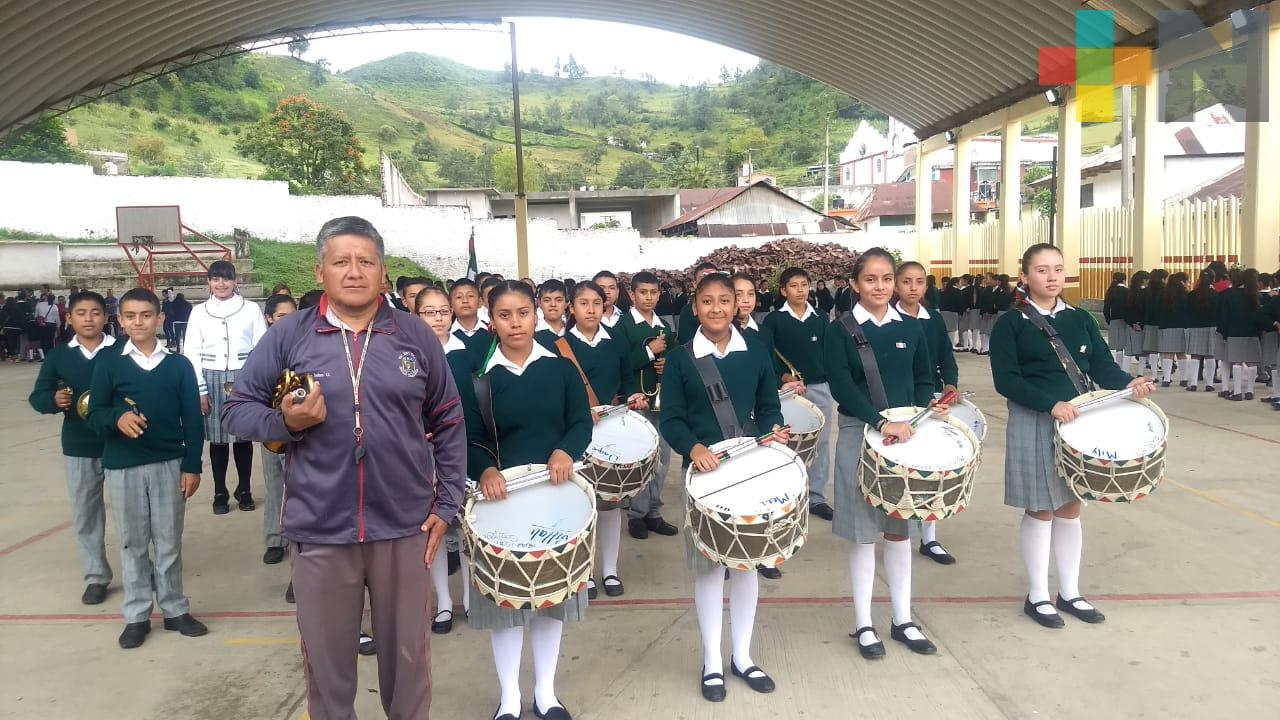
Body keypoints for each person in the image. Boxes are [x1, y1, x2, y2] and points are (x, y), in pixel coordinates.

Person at [223, 216, 467, 719]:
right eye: (341, 262)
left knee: (408, 666)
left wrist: (447, 504)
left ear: (382, 272)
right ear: (320, 272)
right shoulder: (290, 335)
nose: (354, 272)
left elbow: (448, 419)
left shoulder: (414, 336)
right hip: (320, 527)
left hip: (404, 526)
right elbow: (235, 408)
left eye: (366, 261)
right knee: (328, 672)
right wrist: (284, 422)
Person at [989, 243, 1154, 630]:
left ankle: (1070, 591)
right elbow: (1006, 380)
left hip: (1079, 420)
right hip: (1035, 419)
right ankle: (1037, 595)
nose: (1052, 277)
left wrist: (1131, 383)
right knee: (1041, 508)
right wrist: (1050, 404)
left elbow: (1101, 365)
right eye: (1042, 270)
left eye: (1058, 270)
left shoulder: (1079, 319)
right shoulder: (1010, 323)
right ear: (1025, 275)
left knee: (1070, 507)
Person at [658, 272, 790, 702]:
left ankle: (743, 656)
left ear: (738, 306)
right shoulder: (681, 359)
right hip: (704, 475)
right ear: (694, 307)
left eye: (725, 301)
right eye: (707, 301)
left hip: (749, 469)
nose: (717, 309)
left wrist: (774, 430)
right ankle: (712, 660)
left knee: (747, 565)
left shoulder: (754, 351)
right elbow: (672, 418)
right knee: (710, 566)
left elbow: (769, 405)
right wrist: (693, 446)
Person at [468, 280, 592, 720]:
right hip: (500, 504)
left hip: (555, 498)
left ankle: (545, 693)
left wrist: (565, 450)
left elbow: (580, 423)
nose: (515, 322)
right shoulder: (480, 379)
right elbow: (470, 438)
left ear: (536, 315)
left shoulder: (559, 368)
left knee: (549, 600)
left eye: (523, 313)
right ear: (492, 319)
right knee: (505, 605)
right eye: (505, 315)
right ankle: (508, 699)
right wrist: (483, 470)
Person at [825, 248, 943, 660]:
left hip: (904, 436)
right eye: (871, 279)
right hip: (861, 434)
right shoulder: (840, 331)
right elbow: (843, 388)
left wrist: (926, 409)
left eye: (887, 278)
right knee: (862, 535)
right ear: (855, 285)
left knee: (899, 533)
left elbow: (923, 377)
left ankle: (902, 618)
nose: (881, 286)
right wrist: (879, 421)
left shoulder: (912, 329)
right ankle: (864, 623)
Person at [86, 287, 207, 648]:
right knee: (133, 542)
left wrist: (192, 465)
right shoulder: (109, 363)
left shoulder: (179, 365)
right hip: (124, 466)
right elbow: (93, 413)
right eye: (131, 316)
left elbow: (193, 419)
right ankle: (137, 614)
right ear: (120, 321)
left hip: (170, 464)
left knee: (169, 541)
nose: (139, 322)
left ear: (160, 319)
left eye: (146, 315)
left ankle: (174, 609)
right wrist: (117, 417)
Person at [552, 281, 646, 598]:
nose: (591, 309)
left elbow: (628, 380)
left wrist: (633, 395)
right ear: (571, 308)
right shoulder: (559, 345)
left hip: (612, 430)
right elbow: (555, 395)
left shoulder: (616, 341)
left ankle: (610, 571)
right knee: (582, 503)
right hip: (575, 435)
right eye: (583, 303)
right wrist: (579, 411)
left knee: (610, 502)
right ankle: (586, 572)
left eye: (596, 303)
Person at [28, 290, 120, 605]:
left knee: (132, 513)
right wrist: (53, 401)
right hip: (79, 446)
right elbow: (37, 396)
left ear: (106, 317)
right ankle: (96, 576)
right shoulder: (58, 357)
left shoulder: (121, 350)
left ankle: (142, 567)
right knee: (86, 514)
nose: (89, 319)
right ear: (69, 317)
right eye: (81, 313)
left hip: (122, 444)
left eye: (95, 313)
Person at [413, 286, 486, 634]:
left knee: (467, 526)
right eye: (430, 312)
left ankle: (472, 598)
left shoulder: (466, 354)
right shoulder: (408, 356)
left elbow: (478, 405)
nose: (439, 318)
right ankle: (443, 603)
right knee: (435, 528)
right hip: (421, 454)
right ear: (416, 316)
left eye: (443, 311)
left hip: (464, 449)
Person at [182, 260, 269, 515]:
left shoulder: (251, 309)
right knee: (218, 441)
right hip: (210, 377)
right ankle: (220, 491)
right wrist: (200, 390)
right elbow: (192, 352)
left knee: (242, 438)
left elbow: (261, 348)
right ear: (208, 282)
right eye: (215, 279)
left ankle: (244, 489)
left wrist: (256, 384)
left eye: (226, 278)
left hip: (243, 377)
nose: (221, 284)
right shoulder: (198, 312)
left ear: (235, 281)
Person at [894, 261, 959, 565]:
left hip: (931, 400)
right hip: (898, 403)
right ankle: (898, 532)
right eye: (907, 281)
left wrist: (950, 383)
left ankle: (929, 538)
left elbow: (946, 355)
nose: (913, 288)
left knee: (933, 467)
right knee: (902, 468)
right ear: (896, 284)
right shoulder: (888, 318)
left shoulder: (932, 319)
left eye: (919, 282)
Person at [762, 267, 836, 522]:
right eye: (794, 285)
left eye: (804, 284)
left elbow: (831, 353)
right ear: (783, 291)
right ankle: (786, 495)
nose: (801, 290)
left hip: (819, 388)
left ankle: (816, 497)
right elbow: (767, 355)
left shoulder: (821, 318)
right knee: (787, 442)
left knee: (821, 442)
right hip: (786, 392)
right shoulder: (773, 321)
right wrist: (784, 378)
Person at [614, 271, 680, 541]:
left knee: (662, 460)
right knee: (641, 460)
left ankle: (654, 511)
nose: (649, 298)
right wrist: (650, 351)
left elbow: (676, 357)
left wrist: (669, 363)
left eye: (654, 293)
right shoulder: (623, 326)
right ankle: (637, 515)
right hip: (637, 403)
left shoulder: (663, 324)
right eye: (643, 292)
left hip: (662, 402)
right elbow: (619, 365)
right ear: (632, 294)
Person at [259, 294, 297, 568]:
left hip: (302, 429)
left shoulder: (306, 346)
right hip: (272, 426)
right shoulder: (262, 349)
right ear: (269, 318)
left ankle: (299, 541)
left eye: (292, 315)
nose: (288, 321)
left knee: (300, 487)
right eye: (282, 316)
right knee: (274, 484)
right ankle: (274, 538)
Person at [1220, 268, 1264, 400]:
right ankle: (1250, 391)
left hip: (1234, 333)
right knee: (1251, 363)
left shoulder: (1230, 294)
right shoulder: (1257, 296)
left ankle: (1237, 392)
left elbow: (1225, 317)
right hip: (1252, 333)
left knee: (1237, 362)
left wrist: (1224, 334)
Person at [1185, 269, 1219, 392]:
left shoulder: (1192, 294)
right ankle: (1209, 384)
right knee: (1211, 355)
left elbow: (1187, 312)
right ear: (1213, 279)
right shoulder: (1216, 295)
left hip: (1195, 327)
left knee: (1195, 355)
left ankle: (1193, 383)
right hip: (1212, 327)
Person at [1157, 272, 1190, 387]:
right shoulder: (1186, 295)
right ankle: (1183, 379)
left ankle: (1166, 379)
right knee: (1181, 354)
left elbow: (1159, 311)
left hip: (1166, 327)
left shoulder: (1163, 294)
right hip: (1182, 327)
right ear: (1182, 282)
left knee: (1168, 354)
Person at [451, 278, 493, 367]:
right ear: (450, 304)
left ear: (480, 302)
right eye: (459, 297)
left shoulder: (492, 331)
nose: (465, 300)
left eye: (470, 296)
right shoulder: (446, 335)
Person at [677, 262, 721, 344]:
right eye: (703, 279)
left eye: (713, 278)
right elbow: (685, 343)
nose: (709, 283)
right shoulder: (687, 311)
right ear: (695, 284)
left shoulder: (729, 308)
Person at [1123, 271, 1151, 377]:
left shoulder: (1129, 292)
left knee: (1129, 350)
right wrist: (1141, 323)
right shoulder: (1146, 292)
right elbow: (1145, 310)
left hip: (1131, 325)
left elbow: (1125, 310)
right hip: (1143, 325)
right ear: (1145, 280)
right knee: (1142, 350)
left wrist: (1132, 323)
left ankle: (1125, 371)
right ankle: (1140, 373)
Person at [1103, 272, 1129, 367]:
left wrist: (1109, 320)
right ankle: (1125, 368)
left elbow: (1106, 308)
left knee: (1118, 347)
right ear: (1124, 280)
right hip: (1125, 320)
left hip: (1114, 320)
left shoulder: (1110, 291)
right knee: (1126, 345)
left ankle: (1118, 365)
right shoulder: (1127, 291)